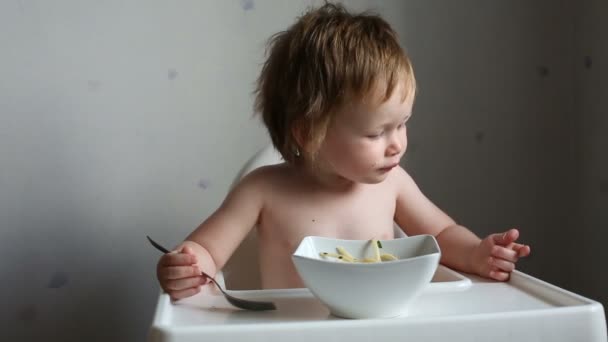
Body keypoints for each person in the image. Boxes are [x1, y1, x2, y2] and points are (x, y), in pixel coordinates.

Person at [156, 2, 530, 300]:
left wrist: (478, 254)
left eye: (401, 124)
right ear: (308, 133)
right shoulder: (263, 190)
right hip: (293, 333)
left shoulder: (393, 184)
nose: (397, 143)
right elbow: (207, 249)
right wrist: (187, 267)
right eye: (376, 133)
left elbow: (443, 234)